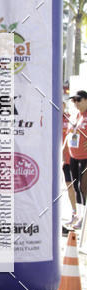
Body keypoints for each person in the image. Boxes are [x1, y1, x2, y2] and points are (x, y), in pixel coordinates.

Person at [65, 90, 87, 230]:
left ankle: (84, 218)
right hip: (73, 157)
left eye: (78, 100)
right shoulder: (74, 116)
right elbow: (68, 135)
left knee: (82, 187)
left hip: (85, 157)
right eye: (74, 101)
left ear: (86, 100)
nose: (76, 103)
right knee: (75, 187)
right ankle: (79, 216)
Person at [62, 97, 77, 229]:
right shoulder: (49, 118)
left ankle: (78, 215)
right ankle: (74, 213)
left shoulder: (70, 119)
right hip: (64, 161)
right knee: (69, 187)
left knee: (78, 188)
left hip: (75, 159)